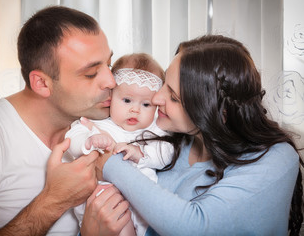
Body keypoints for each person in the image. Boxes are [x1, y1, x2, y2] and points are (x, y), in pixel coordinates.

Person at [83, 35, 303, 235]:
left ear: (218, 112)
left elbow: (195, 227)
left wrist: (111, 164)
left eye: (174, 97)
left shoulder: (277, 159)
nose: (157, 98)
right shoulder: (170, 140)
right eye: (164, 85)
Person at [0, 6, 131, 235]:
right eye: (90, 74)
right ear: (41, 83)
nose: (111, 81)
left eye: (109, 64)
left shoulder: (105, 129)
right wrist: (54, 200)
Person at [65, 53, 173, 236]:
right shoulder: (98, 123)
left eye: (146, 104)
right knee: (120, 222)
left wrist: (140, 153)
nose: (135, 109)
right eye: (127, 100)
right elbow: (72, 138)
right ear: (111, 96)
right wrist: (88, 142)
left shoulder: (154, 131)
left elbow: (167, 153)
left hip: (140, 204)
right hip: (102, 198)